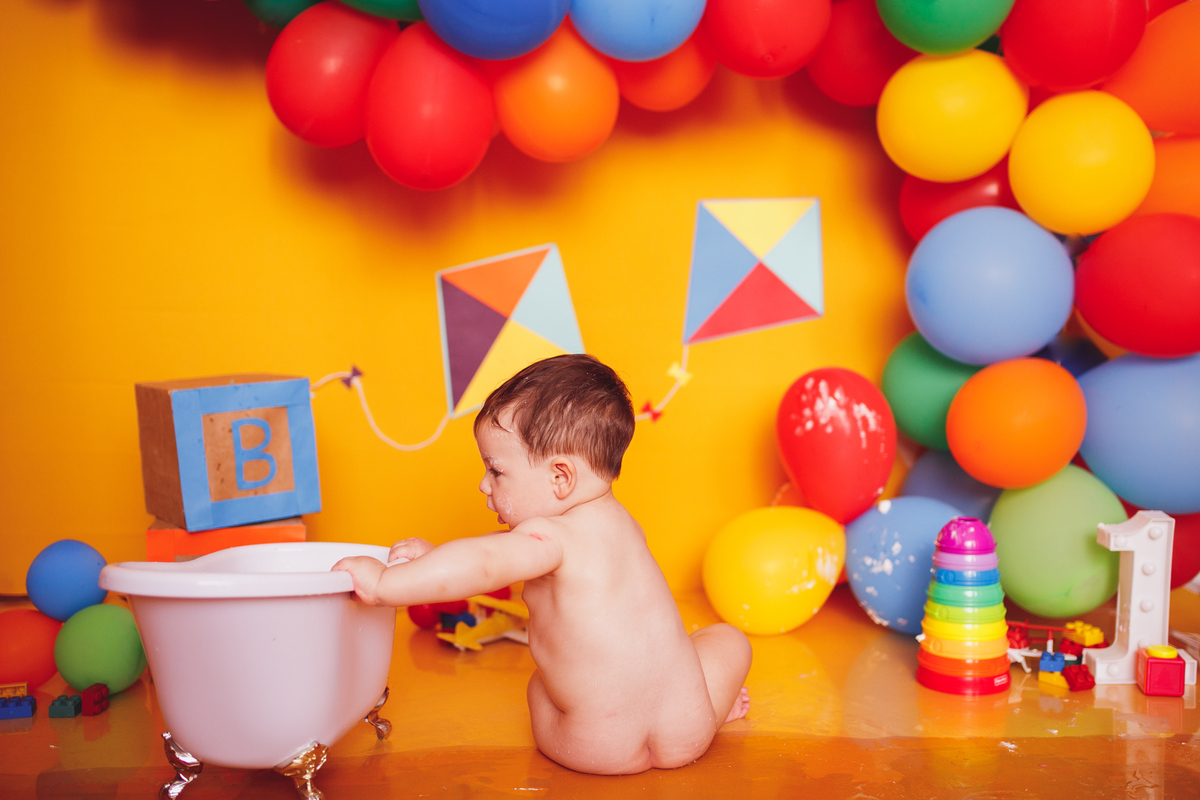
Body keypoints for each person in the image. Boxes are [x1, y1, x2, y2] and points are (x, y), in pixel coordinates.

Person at [333, 354, 752, 775]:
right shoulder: (623, 524)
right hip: (687, 730)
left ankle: (648, 722)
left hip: (598, 745)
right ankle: (714, 712)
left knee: (538, 685)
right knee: (729, 639)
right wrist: (436, 557)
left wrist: (385, 584)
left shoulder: (550, 539)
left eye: (496, 471)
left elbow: (485, 563)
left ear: (560, 478)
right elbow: (499, 551)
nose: (484, 484)